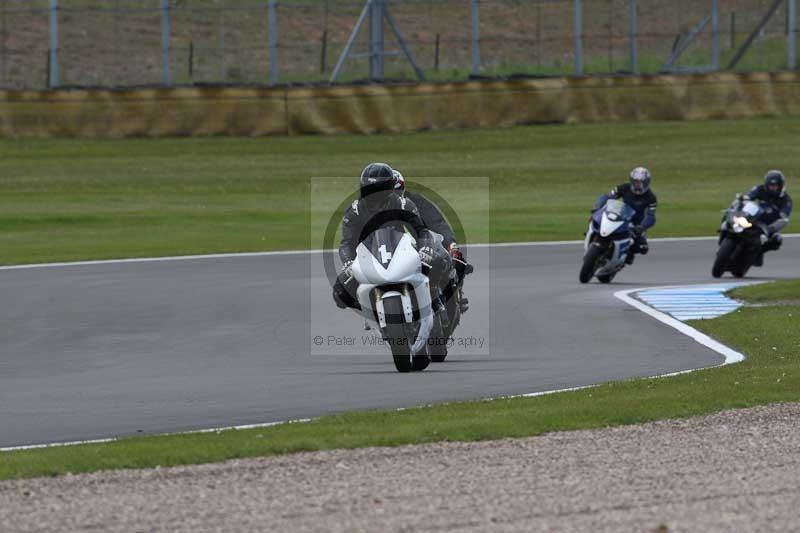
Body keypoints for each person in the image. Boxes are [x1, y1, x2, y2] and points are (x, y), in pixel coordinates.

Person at [332, 163, 449, 310]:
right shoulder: (354, 211)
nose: (374, 193)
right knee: (340, 293)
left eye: (378, 189)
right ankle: (368, 308)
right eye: (369, 188)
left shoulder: (402, 203)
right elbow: (346, 243)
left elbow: (421, 231)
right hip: (368, 256)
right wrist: (348, 262)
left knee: (437, 261)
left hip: (401, 250)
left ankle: (434, 297)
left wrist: (425, 248)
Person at [391, 170, 472, 293]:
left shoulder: (414, 201)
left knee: (442, 260)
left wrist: (451, 246)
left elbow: (436, 223)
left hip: (417, 250)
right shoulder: (368, 208)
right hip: (385, 254)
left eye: (396, 192)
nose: (392, 198)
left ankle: (446, 293)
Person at [594, 167, 657, 265]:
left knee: (642, 248)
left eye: (641, 182)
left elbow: (651, 217)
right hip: (621, 217)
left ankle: (622, 259)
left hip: (636, 225)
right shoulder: (623, 188)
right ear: (631, 180)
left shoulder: (651, 197)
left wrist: (642, 227)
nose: (638, 185)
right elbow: (607, 197)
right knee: (598, 221)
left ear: (646, 183)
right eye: (635, 182)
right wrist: (598, 206)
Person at [743, 170, 792, 266]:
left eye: (775, 186)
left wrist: (772, 227)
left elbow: (784, 217)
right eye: (770, 185)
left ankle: (759, 253)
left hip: (768, 227)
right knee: (734, 217)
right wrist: (744, 199)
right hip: (753, 218)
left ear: (780, 186)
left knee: (777, 239)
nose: (772, 188)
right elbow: (748, 196)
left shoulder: (786, 200)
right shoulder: (760, 189)